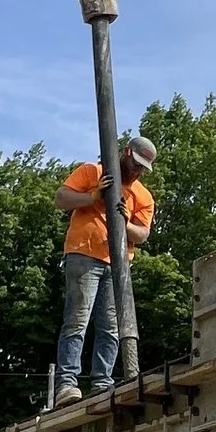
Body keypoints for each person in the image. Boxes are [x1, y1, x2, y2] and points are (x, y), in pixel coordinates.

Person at [51, 136, 156, 405]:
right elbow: (61, 198)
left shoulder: (143, 197)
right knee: (77, 320)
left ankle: (102, 383)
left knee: (110, 327)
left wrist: (124, 222)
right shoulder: (92, 172)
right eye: (136, 163)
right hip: (83, 255)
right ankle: (67, 385)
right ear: (126, 152)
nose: (137, 171)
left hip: (117, 263)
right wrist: (93, 196)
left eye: (143, 167)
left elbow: (142, 234)